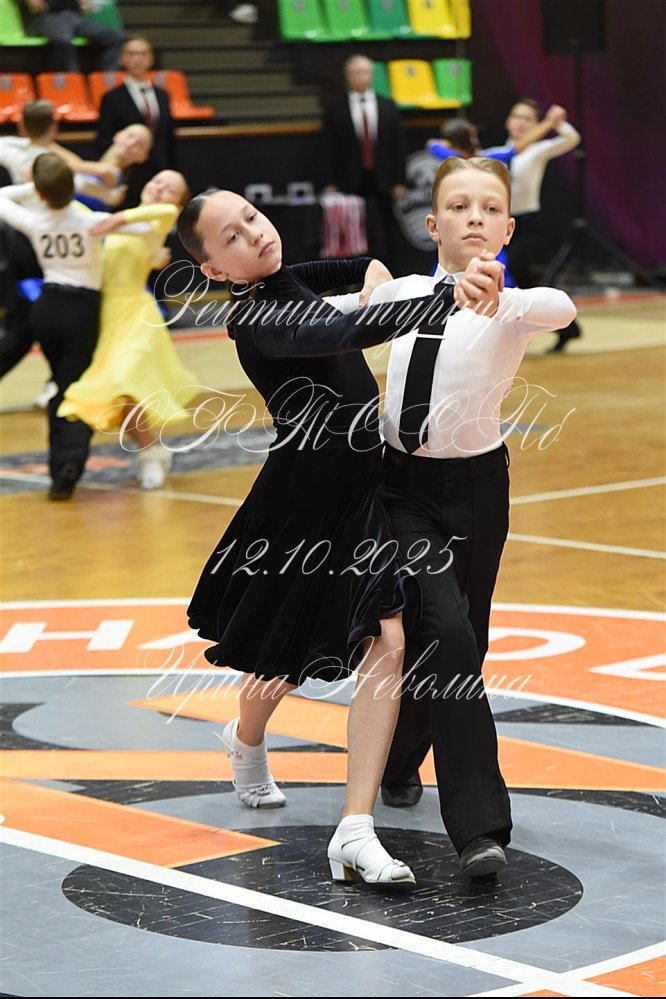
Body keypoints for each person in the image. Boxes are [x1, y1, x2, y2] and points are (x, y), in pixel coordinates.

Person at [176, 188, 471, 887]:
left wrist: (372, 273)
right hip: (303, 502)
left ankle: (355, 827)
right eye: (231, 237)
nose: (254, 233)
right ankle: (245, 739)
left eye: (251, 217)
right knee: (282, 654)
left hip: (363, 488)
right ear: (214, 269)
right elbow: (345, 334)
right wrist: (442, 298)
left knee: (388, 639)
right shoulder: (259, 318)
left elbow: (352, 266)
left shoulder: (286, 278)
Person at [352, 158, 576, 877]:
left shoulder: (514, 304)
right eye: (458, 206)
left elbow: (562, 308)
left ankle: (400, 759)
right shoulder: (404, 292)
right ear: (432, 223)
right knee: (446, 628)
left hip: (479, 489)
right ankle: (480, 827)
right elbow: (340, 323)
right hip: (402, 490)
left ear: (507, 228)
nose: (473, 216)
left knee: (461, 639)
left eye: (489, 207)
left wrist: (504, 298)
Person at [0, 153, 154, 499]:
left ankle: (60, 468)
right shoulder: (90, 221)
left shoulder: (34, 220)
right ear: (72, 188)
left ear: (41, 193)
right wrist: (150, 248)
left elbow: (2, 197)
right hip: (81, 310)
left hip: (46, 308)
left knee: (61, 385)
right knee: (77, 388)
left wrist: (34, 188)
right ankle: (68, 464)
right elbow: (145, 228)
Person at [58, 169, 198, 490]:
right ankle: (153, 450)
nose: (159, 188)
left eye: (169, 188)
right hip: (106, 315)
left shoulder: (159, 218)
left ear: (178, 204)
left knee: (125, 381)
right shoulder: (120, 220)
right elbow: (85, 218)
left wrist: (111, 221)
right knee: (118, 396)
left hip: (137, 314)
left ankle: (150, 456)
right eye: (157, 181)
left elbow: (155, 213)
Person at [486, 99, 582, 351]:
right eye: (517, 116)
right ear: (508, 121)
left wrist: (556, 122)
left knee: (514, 269)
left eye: (528, 118)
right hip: (500, 225)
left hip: (527, 224)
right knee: (525, 280)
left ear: (536, 124)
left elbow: (572, 139)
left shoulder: (537, 150)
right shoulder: (497, 152)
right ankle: (568, 329)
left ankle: (518, 331)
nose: (521, 122)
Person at [320, 54, 406, 268]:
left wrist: (399, 180)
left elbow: (398, 146)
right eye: (355, 73)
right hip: (349, 179)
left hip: (383, 178)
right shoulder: (335, 107)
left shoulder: (387, 105)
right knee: (354, 229)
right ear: (347, 76)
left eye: (364, 72)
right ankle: (357, 272)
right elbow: (327, 147)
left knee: (385, 227)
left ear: (371, 75)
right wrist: (330, 181)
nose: (360, 77)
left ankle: (387, 270)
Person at [96, 36, 175, 209]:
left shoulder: (163, 95)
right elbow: (104, 139)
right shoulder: (112, 98)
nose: (138, 59)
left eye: (143, 54)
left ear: (151, 59)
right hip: (129, 177)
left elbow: (168, 137)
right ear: (122, 59)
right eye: (132, 54)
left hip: (159, 174)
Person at [22, 0, 125, 73]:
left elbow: (88, 6)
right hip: (45, 18)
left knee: (118, 38)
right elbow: (36, 6)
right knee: (63, 39)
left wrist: (86, 4)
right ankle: (70, 80)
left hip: (74, 18)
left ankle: (106, 79)